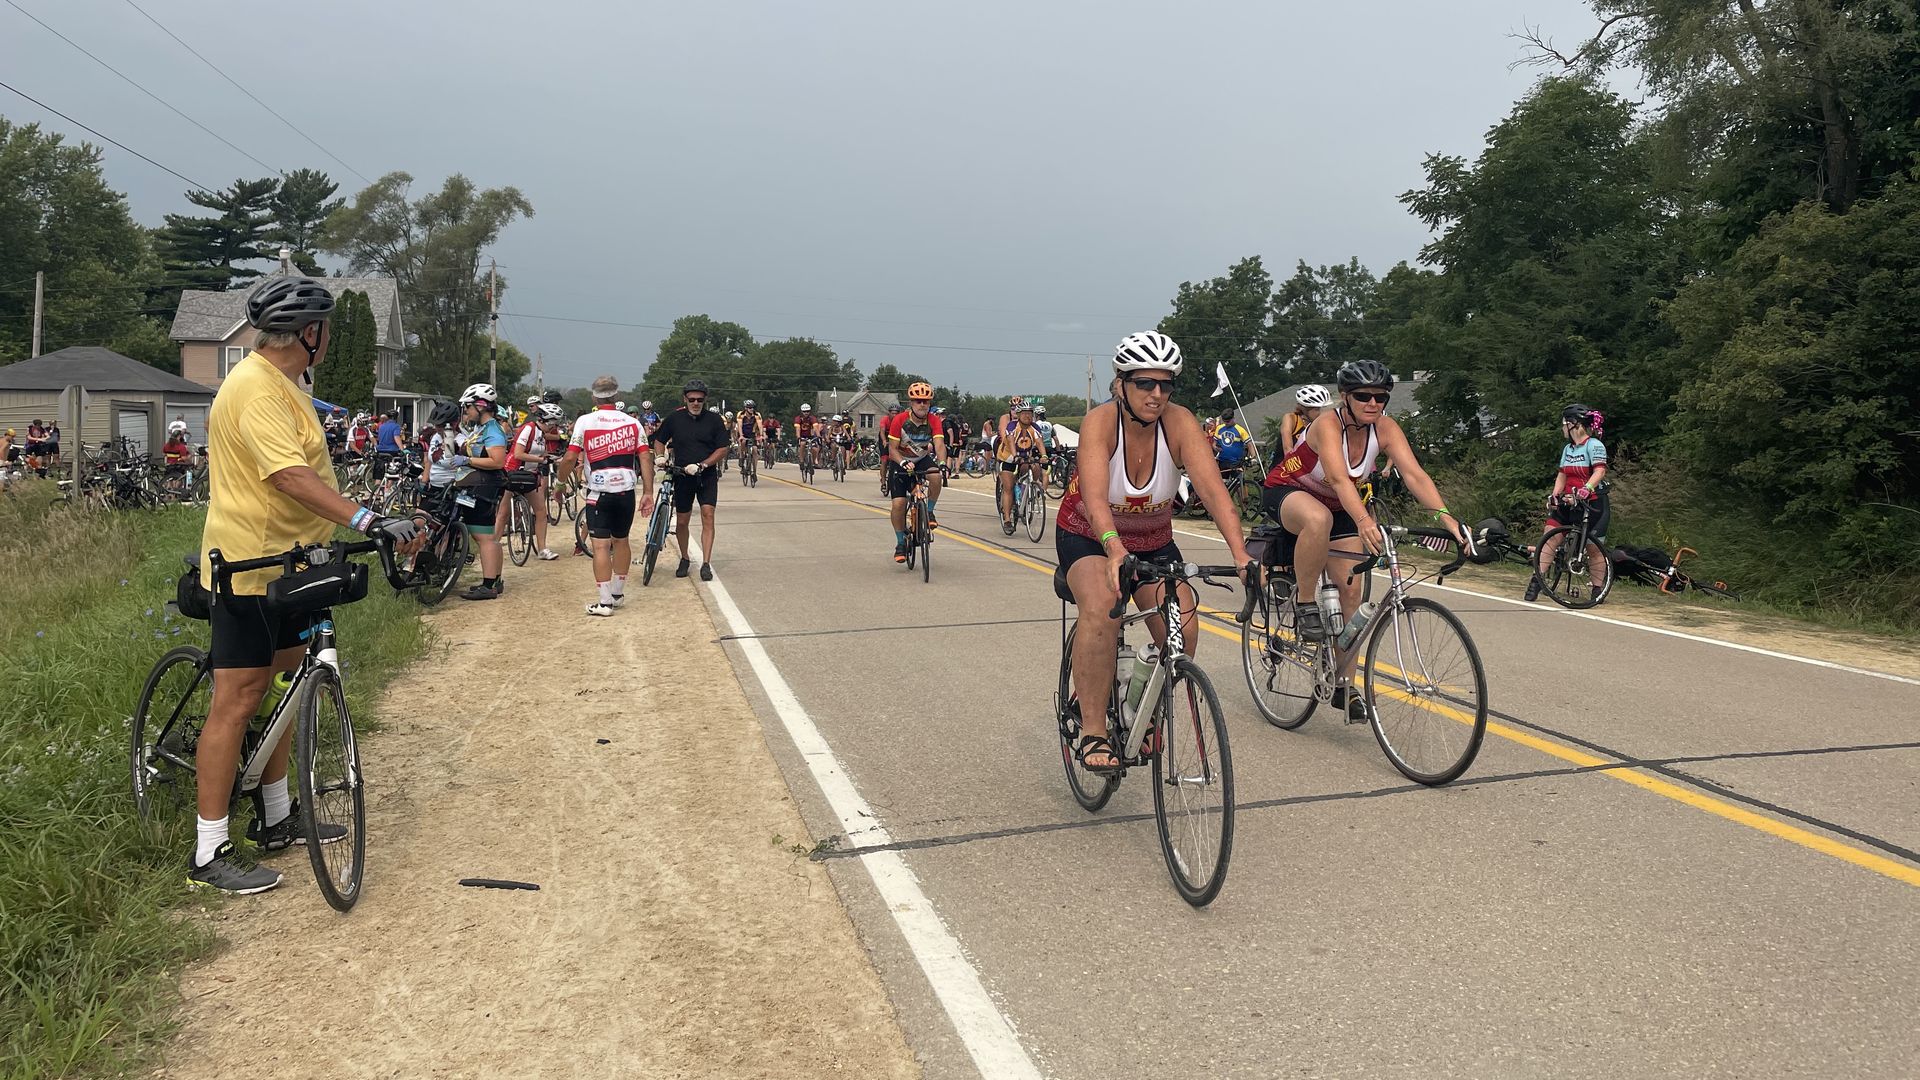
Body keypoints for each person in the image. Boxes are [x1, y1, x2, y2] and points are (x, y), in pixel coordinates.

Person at [191, 276, 422, 894]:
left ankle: (276, 815)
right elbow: (289, 476)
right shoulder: (253, 388)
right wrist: (366, 517)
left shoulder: (288, 385)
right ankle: (209, 848)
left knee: (288, 687)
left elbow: (312, 466)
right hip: (248, 564)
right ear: (312, 334)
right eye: (329, 330)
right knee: (238, 699)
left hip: (294, 562)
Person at [1056, 332, 1253, 774]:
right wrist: (1112, 549)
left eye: (1166, 384)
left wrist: (1241, 554)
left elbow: (1214, 492)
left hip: (1154, 539)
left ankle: (1144, 713)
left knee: (1184, 627)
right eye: (1145, 383)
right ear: (1121, 384)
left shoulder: (1180, 423)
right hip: (1090, 534)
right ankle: (1092, 730)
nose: (1157, 394)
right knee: (1104, 605)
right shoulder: (1101, 423)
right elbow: (1093, 496)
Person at [1261, 359, 1467, 719]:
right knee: (1317, 518)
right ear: (1345, 397)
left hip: (1339, 503)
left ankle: (1344, 684)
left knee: (1352, 593)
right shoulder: (1327, 424)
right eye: (1363, 396)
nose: (1373, 403)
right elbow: (1340, 480)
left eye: (1380, 397)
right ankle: (1306, 602)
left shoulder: (1385, 428)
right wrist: (1363, 520)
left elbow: (1415, 474)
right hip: (1289, 491)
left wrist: (1444, 516)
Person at [556, 375, 653, 615]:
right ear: (617, 396)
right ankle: (618, 593)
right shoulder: (633, 423)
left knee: (600, 547)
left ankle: (605, 602)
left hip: (599, 492)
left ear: (593, 397)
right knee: (622, 541)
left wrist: (559, 484)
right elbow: (645, 456)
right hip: (627, 491)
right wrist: (649, 491)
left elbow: (570, 457)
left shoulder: (585, 421)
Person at [1526, 404, 1611, 602]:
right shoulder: (1568, 449)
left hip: (1593, 503)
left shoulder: (1595, 445)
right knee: (1549, 536)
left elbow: (1599, 471)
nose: (1562, 428)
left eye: (1564, 424)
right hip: (1570, 500)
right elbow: (1562, 474)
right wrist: (1555, 495)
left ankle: (1597, 590)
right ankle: (1536, 581)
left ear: (1574, 425)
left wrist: (1587, 488)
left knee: (1594, 549)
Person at [649, 379, 731, 580]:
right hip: (682, 474)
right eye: (692, 399)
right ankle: (685, 558)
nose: (696, 403)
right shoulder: (675, 418)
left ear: (705, 400)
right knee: (683, 520)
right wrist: (660, 456)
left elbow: (723, 448)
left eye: (700, 400)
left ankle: (705, 563)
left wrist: (703, 464)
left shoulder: (714, 420)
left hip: (706, 474)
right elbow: (659, 439)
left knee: (708, 515)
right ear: (685, 399)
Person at [448, 384, 511, 600]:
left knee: (484, 538)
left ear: (481, 406)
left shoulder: (493, 430)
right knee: (487, 537)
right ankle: (495, 580)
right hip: (478, 486)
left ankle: (489, 585)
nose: (465, 411)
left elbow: (497, 461)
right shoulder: (482, 429)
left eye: (468, 407)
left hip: (484, 488)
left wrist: (467, 460)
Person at [883, 383, 947, 562]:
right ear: (911, 403)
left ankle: (930, 511)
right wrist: (902, 462)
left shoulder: (933, 420)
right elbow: (892, 449)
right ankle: (900, 542)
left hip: (920, 460)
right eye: (918, 401)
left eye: (926, 401)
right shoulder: (900, 420)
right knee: (899, 504)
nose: (922, 405)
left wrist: (942, 463)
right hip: (900, 460)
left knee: (936, 475)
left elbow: (940, 444)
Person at [501, 402, 566, 561]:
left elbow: (542, 454)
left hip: (530, 474)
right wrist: (540, 459)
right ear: (547, 420)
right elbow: (517, 454)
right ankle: (493, 544)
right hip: (512, 471)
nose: (554, 428)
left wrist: (555, 459)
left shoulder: (541, 434)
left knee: (541, 512)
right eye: (553, 423)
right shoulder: (528, 428)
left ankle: (542, 549)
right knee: (503, 513)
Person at [996, 401, 1049, 534]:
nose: (1027, 416)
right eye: (1024, 413)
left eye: (1030, 413)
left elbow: (1039, 442)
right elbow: (1010, 441)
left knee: (1036, 467)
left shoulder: (1035, 427)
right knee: (1008, 487)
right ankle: (1007, 519)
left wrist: (1044, 456)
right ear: (1018, 415)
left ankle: (1031, 490)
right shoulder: (1012, 425)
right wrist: (1014, 455)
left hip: (1025, 458)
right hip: (1007, 458)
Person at [1283, 384, 1333, 448]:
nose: (1321, 413)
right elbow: (1287, 448)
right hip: (1289, 457)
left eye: (1324, 408)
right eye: (1317, 409)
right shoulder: (1291, 419)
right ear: (1304, 408)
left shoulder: (1323, 423)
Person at [1211, 407, 1253, 484]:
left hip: (1236, 462)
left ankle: (1243, 496)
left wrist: (1253, 457)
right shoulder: (1219, 428)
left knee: (1239, 483)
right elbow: (1214, 444)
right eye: (1225, 421)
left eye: (1228, 421)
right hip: (1223, 461)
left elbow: (1249, 444)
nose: (1226, 423)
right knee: (1223, 483)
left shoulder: (1240, 430)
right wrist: (1216, 448)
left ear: (1233, 418)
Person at [794, 403, 820, 471]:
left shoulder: (812, 418)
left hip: (810, 436)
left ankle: (814, 462)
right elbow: (798, 429)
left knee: (815, 449)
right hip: (802, 436)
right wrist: (798, 437)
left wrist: (818, 436)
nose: (806, 413)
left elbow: (815, 427)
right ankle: (802, 461)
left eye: (808, 411)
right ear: (801, 412)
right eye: (804, 411)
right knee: (802, 444)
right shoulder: (798, 418)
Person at [735, 400, 762, 464]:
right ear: (745, 408)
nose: (752, 409)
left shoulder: (757, 414)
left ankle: (754, 471)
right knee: (743, 441)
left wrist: (761, 435)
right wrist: (741, 435)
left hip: (751, 433)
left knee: (755, 450)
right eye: (750, 408)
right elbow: (740, 425)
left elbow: (760, 425)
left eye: (753, 407)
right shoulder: (741, 414)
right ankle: (742, 455)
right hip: (743, 432)